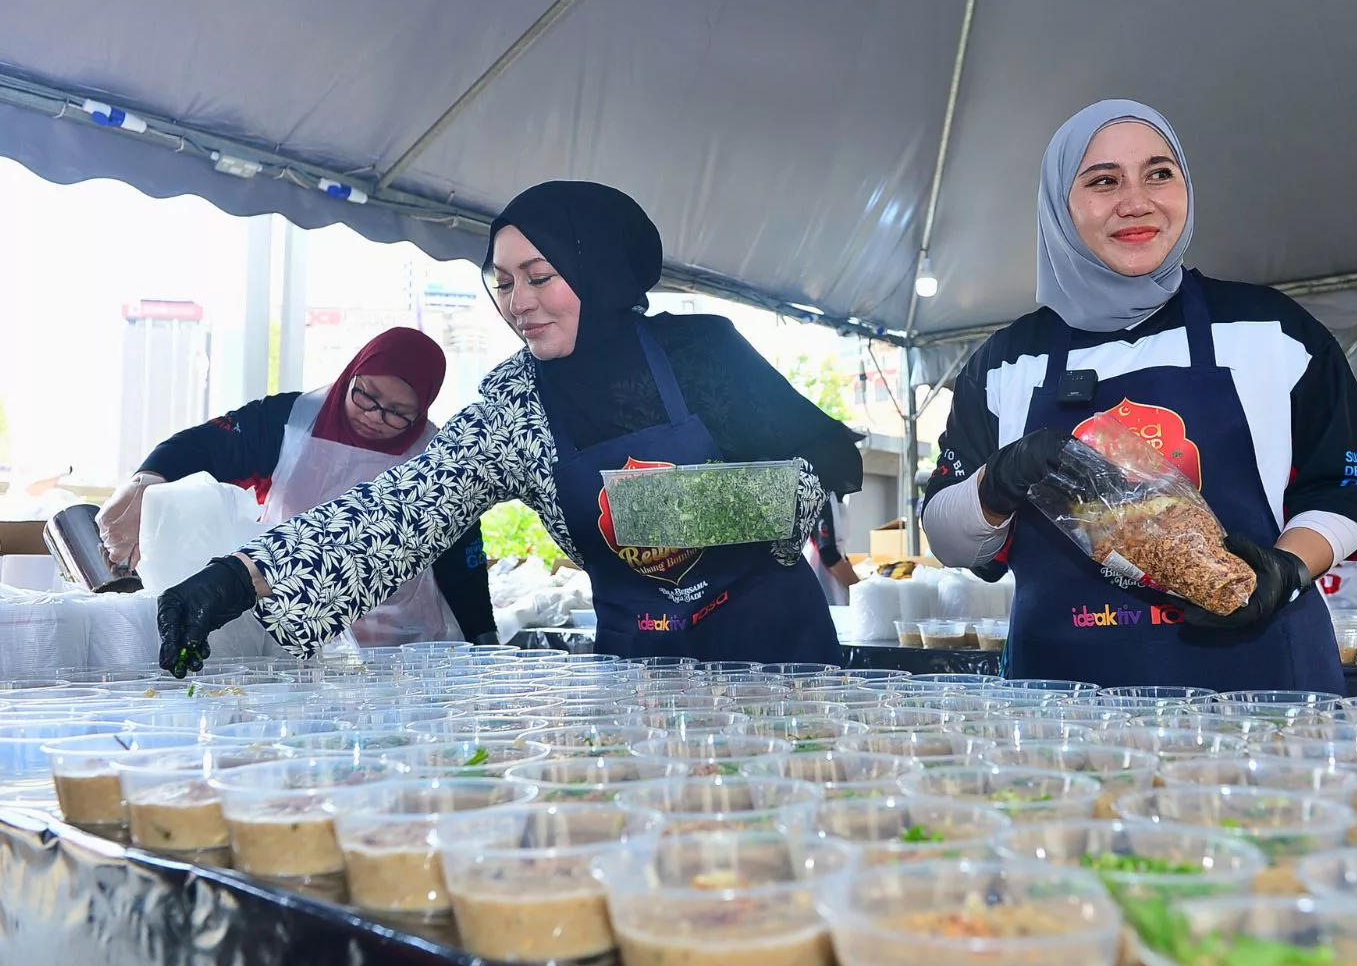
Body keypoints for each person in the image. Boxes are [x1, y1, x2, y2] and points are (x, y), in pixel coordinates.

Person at [152, 181, 862, 675]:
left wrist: (660, 509)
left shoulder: (703, 353)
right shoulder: (515, 406)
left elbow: (816, 475)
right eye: (502, 280)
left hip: (777, 658)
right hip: (644, 676)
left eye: (539, 275)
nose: (517, 302)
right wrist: (240, 577)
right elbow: (399, 511)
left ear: (600, 270)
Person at [922, 99, 1357, 692]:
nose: (1136, 202)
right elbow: (947, 537)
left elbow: (1350, 488)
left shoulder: (1270, 331)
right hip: (1065, 703)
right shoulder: (1004, 363)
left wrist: (1290, 566)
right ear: (1060, 205)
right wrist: (995, 483)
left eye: (1159, 174)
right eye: (1103, 181)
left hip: (1259, 685)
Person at [97, 328, 494, 646]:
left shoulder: (438, 456)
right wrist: (146, 480)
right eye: (366, 396)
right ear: (350, 374)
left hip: (402, 646)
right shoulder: (290, 420)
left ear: (421, 411)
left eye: (397, 414)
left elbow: (463, 563)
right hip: (288, 629)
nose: (375, 416)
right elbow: (200, 446)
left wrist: (484, 637)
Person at [807, 492, 860, 606]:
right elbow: (828, 553)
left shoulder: (835, 495)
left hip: (836, 574)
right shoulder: (820, 494)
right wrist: (859, 589)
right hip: (822, 574)